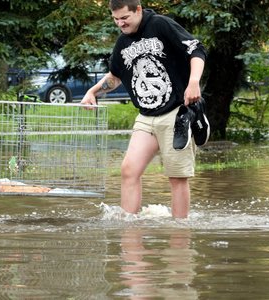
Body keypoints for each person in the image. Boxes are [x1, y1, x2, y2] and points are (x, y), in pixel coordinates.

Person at [81, 0, 209, 218]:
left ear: (138, 10)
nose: (120, 23)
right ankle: (130, 232)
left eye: (124, 18)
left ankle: (180, 234)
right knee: (129, 171)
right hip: (146, 117)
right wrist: (92, 92)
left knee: (176, 177)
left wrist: (194, 81)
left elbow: (196, 49)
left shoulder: (160, 25)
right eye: (116, 19)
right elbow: (115, 76)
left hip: (177, 114)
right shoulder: (123, 43)